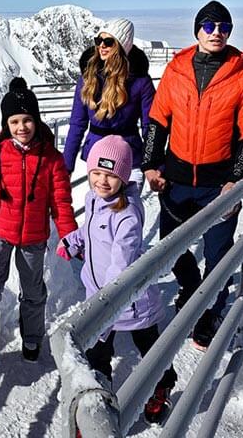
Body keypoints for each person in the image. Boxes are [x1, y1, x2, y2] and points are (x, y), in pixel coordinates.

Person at [140, 0, 243, 349]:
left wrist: (234, 180)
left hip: (218, 184)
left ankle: (211, 310)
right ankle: (191, 288)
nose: (216, 33)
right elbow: (157, 121)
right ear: (197, 29)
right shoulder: (177, 70)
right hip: (177, 179)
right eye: (209, 26)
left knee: (218, 251)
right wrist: (151, 164)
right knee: (172, 246)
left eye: (224, 27)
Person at [56, 135, 177, 423]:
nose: (101, 181)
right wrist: (74, 241)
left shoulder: (127, 214)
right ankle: (100, 408)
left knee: (149, 349)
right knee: (98, 355)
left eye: (110, 175)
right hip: (102, 297)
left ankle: (162, 385)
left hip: (130, 301)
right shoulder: (94, 198)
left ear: (123, 177)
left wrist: (106, 300)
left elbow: (121, 262)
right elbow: (89, 230)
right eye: (96, 173)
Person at [0, 77, 77, 369]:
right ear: (6, 123)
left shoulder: (51, 158)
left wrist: (67, 233)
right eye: (14, 121)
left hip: (34, 235)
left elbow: (61, 201)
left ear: (36, 120)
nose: (21, 127)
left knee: (33, 289)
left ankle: (32, 336)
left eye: (27, 120)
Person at [64, 18, 155, 184]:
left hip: (130, 159)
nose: (102, 46)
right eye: (99, 40)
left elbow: (150, 126)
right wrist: (66, 167)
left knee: (128, 208)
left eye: (108, 41)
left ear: (122, 46)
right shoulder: (87, 78)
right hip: (97, 160)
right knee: (101, 208)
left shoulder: (140, 81)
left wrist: (152, 164)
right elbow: (77, 124)